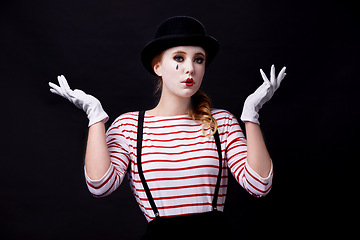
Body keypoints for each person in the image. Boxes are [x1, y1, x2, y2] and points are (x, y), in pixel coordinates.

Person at [49, 16, 286, 240]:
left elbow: (259, 185)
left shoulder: (220, 122)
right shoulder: (130, 126)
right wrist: (95, 115)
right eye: (179, 58)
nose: (190, 68)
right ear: (158, 67)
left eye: (198, 59)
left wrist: (251, 114)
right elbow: (100, 185)